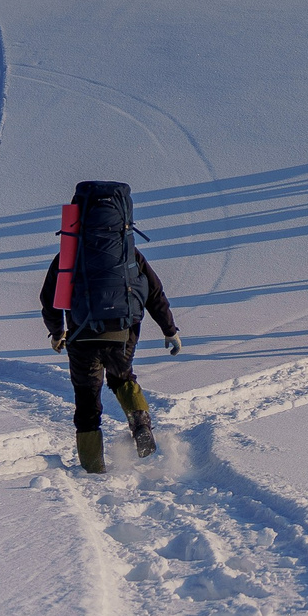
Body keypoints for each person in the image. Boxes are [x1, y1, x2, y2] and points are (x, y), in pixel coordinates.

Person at [39, 180, 182, 474]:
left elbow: (49, 298)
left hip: (80, 336)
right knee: (122, 379)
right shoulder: (128, 253)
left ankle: (92, 467)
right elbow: (155, 292)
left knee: (87, 399)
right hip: (122, 334)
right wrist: (170, 330)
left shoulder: (69, 254)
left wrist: (57, 333)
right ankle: (141, 427)